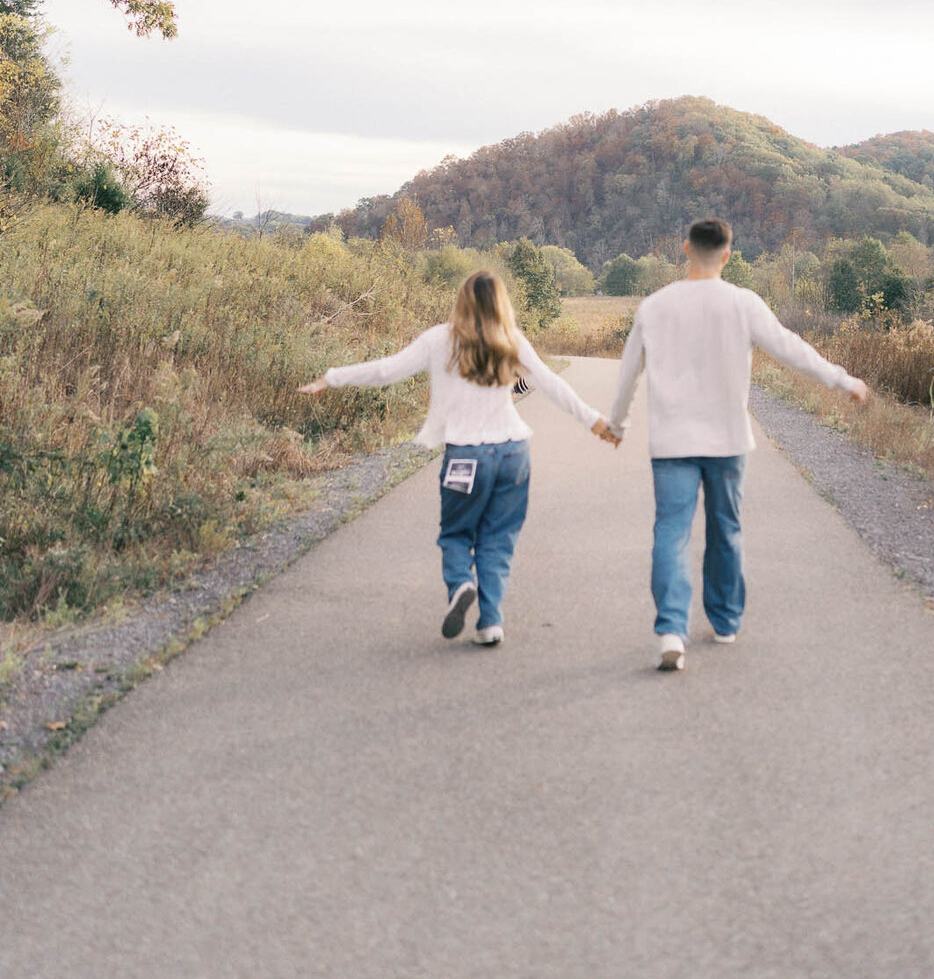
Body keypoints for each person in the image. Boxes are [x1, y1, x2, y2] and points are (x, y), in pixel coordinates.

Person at [300, 271, 617, 647]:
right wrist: (595, 421)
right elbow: (551, 383)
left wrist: (330, 378)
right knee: (498, 539)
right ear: (501, 303)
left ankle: (461, 584)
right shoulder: (510, 339)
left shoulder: (439, 339)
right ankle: (491, 623)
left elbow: (387, 370)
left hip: (467, 456)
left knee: (456, 534)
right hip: (513, 452)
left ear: (462, 301)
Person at [607, 218, 869, 671]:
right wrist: (841, 380)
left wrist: (616, 423)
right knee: (724, 529)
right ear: (727, 254)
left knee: (670, 532)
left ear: (684, 248)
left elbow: (630, 369)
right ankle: (725, 622)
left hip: (671, 443)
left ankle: (671, 629)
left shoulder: (655, 306)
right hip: (726, 441)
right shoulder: (743, 303)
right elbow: (790, 347)